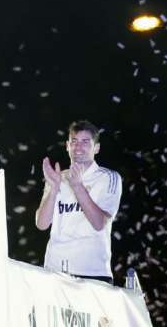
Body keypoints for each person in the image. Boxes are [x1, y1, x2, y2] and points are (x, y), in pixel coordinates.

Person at [35, 120, 122, 284]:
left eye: (85, 142)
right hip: (54, 270)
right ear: (67, 146)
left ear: (96, 148)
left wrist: (77, 186)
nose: (78, 147)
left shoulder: (108, 177)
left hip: (92, 273)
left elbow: (99, 223)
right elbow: (41, 224)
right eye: (74, 141)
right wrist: (54, 188)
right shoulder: (57, 178)